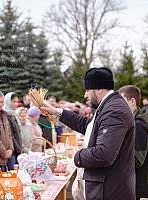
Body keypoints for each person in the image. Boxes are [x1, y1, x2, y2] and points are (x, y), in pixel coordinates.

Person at [41, 67, 135, 200]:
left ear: (99, 89)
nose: (85, 95)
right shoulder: (108, 106)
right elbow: (87, 125)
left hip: (110, 191)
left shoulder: (114, 110)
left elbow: (104, 154)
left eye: (87, 90)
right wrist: (57, 111)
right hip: (107, 188)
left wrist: (77, 156)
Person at [119, 85, 148, 200]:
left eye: (122, 102)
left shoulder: (139, 125)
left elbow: (137, 161)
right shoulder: (134, 121)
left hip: (141, 188)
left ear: (132, 101)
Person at [3, 92, 22, 170]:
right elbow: (11, 134)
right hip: (12, 150)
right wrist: (18, 148)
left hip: (17, 149)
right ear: (7, 101)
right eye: (14, 101)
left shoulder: (13, 114)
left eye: (17, 101)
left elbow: (18, 133)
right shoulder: (6, 115)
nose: (16, 104)